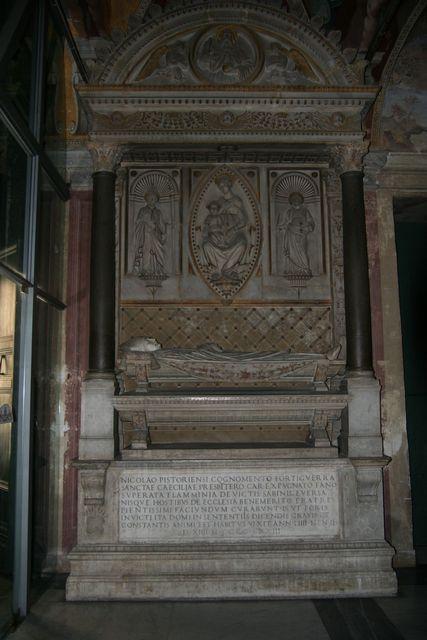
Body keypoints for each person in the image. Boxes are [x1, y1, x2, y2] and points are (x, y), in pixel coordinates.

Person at [277, 192, 315, 277]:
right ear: (291, 201)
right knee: (291, 252)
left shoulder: (305, 211)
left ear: (301, 200)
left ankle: (305, 269)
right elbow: (286, 223)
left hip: (301, 234)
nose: (296, 200)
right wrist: (281, 227)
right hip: (291, 234)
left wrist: (307, 228)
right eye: (294, 199)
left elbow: (311, 222)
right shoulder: (289, 211)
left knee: (302, 252)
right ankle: (293, 270)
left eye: (297, 199)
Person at [133, 188, 167, 277]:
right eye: (150, 198)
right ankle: (145, 270)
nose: (152, 200)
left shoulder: (158, 212)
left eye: (153, 198)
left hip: (156, 235)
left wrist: (163, 230)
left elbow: (161, 225)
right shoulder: (143, 210)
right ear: (147, 199)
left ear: (156, 200)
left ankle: (158, 269)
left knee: (159, 251)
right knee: (146, 251)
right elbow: (138, 222)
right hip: (146, 235)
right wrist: (145, 221)